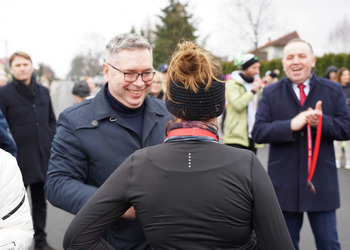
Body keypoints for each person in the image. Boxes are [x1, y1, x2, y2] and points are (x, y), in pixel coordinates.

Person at [63, 41, 294, 250]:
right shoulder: (247, 164)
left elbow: (77, 238)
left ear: (170, 104)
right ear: (220, 106)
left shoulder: (137, 164)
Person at [45, 33, 171, 250]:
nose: (140, 83)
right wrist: (116, 204)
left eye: (147, 73)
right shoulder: (75, 121)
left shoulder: (169, 114)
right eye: (130, 74)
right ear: (106, 71)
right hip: (110, 242)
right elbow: (58, 184)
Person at [252, 39, 350, 250]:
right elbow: (258, 132)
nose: (295, 62)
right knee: (284, 245)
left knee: (329, 244)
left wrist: (322, 122)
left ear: (313, 61)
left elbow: (347, 127)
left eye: (302, 56)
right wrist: (291, 125)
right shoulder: (271, 92)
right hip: (283, 187)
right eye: (290, 57)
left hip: (321, 185)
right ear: (284, 63)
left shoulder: (332, 90)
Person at [0, 52, 57, 250]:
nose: (22, 68)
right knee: (13, 208)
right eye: (18, 65)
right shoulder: (4, 94)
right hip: (17, 159)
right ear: (12, 69)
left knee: (41, 203)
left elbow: (51, 119)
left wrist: (51, 139)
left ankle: (40, 241)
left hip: (42, 156)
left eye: (26, 64)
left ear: (32, 66)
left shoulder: (42, 91)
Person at [223, 53, 264, 154]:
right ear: (245, 68)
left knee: (251, 168)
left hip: (253, 134)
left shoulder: (256, 84)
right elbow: (238, 105)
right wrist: (253, 91)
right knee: (236, 169)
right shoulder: (233, 83)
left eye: (258, 68)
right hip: (236, 136)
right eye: (254, 68)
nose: (257, 71)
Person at [0, 149, 34, 250]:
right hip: (30, 165)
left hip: (33, 166)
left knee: (39, 203)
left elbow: (17, 227)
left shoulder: (4, 162)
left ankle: (41, 240)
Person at [334, 67, 350, 169]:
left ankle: (348, 159)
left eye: (348, 74)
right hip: (338, 117)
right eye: (344, 74)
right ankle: (337, 159)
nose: (346, 77)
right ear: (340, 76)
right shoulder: (335, 88)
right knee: (337, 140)